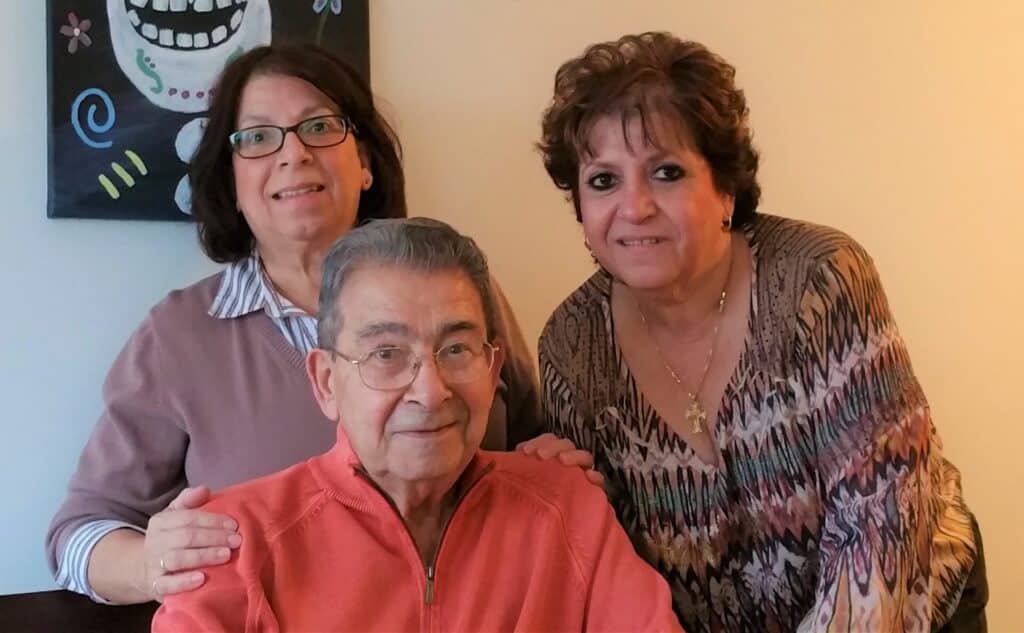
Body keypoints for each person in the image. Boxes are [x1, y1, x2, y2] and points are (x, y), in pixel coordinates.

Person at [45, 44, 543, 606]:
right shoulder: (179, 336)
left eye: (320, 126)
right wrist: (150, 563)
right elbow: (77, 537)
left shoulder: (463, 297)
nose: (294, 153)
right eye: (257, 137)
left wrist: (553, 462)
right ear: (231, 180)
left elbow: (534, 448)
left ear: (365, 163)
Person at [534, 32, 985, 632]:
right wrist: (555, 489)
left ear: (725, 188)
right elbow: (612, 577)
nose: (634, 207)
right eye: (603, 181)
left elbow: (882, 538)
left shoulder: (817, 281)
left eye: (666, 172)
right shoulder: (570, 345)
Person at [150, 217, 682, 632]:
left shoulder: (568, 509)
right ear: (326, 382)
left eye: (456, 349)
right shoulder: (230, 544)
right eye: (386, 353)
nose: (431, 392)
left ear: (493, 368)